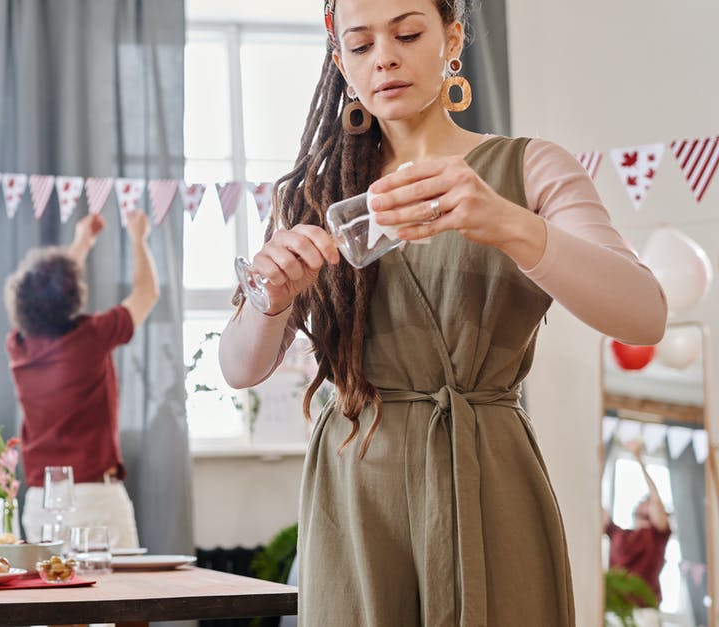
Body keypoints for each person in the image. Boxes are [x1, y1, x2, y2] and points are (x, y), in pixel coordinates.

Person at [217, 0, 667, 623]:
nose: (386, 59)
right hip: (357, 491)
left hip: (487, 474)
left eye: (407, 33)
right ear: (339, 58)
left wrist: (509, 224)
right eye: (362, 44)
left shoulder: (528, 167)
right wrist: (271, 297)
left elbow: (644, 315)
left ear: (452, 37)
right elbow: (240, 369)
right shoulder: (314, 193)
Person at [6, 212, 158, 550]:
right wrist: (138, 239)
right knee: (119, 598)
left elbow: (46, 294)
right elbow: (146, 293)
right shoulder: (91, 336)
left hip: (40, 502)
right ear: (74, 294)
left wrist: (81, 244)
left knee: (52, 601)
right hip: (93, 499)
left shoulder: (19, 346)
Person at [606, 439, 671, 613]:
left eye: (648, 501)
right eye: (645, 501)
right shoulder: (618, 533)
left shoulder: (657, 534)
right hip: (616, 610)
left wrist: (639, 460)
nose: (647, 502)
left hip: (645, 611)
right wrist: (599, 465)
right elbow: (598, 510)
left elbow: (656, 499)